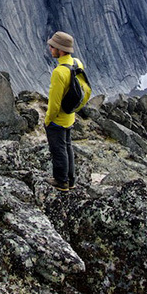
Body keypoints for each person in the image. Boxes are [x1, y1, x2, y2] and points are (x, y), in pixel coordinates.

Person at [44, 31, 84, 191]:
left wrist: (48, 120)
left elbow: (54, 104)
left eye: (52, 46)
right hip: (70, 116)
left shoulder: (59, 73)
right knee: (67, 147)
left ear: (60, 50)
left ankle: (61, 181)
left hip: (59, 120)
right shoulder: (76, 63)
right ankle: (71, 180)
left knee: (58, 149)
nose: (50, 48)